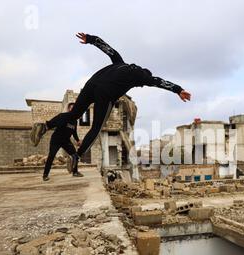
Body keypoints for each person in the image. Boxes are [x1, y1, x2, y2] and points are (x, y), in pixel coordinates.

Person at [31, 32, 191, 173]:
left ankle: (45, 126)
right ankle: (76, 157)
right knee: (95, 128)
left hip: (91, 84)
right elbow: (158, 81)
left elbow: (107, 48)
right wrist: (178, 89)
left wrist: (90, 39)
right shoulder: (142, 76)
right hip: (105, 94)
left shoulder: (120, 62)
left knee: (74, 114)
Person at [42, 103, 84, 182]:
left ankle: (75, 172)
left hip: (66, 141)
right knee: (51, 156)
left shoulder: (75, 121)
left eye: (74, 108)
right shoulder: (63, 116)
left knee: (75, 156)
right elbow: (53, 122)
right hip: (56, 140)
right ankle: (45, 175)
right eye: (71, 108)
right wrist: (47, 125)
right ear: (69, 109)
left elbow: (74, 132)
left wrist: (77, 140)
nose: (73, 109)